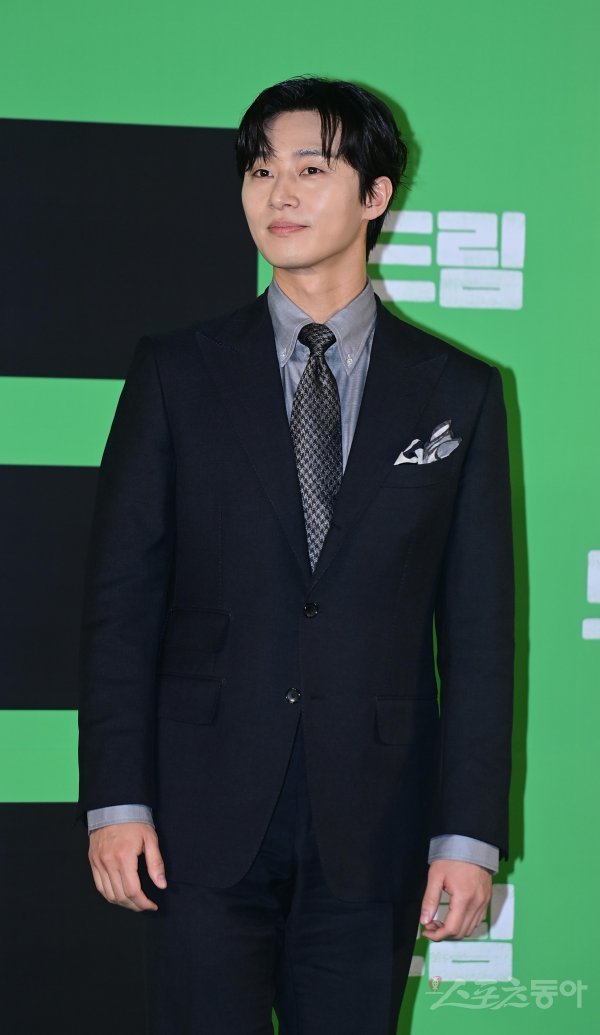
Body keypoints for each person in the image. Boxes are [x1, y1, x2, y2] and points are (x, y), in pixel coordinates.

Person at [76, 75, 514, 1034]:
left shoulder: (458, 392)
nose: (278, 192)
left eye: (311, 169)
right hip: (196, 818)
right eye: (260, 169)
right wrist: (116, 800)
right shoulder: (177, 371)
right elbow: (120, 604)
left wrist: (467, 833)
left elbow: (480, 634)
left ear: (376, 194)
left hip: (375, 822)